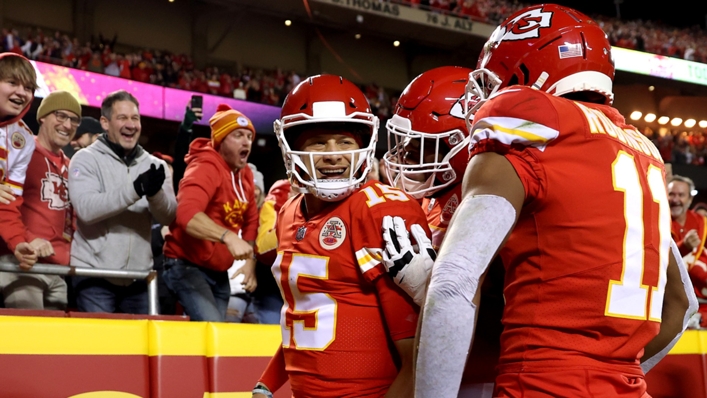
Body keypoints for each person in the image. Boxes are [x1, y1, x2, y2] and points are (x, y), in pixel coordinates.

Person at [412, 5, 697, 397]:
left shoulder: (534, 124)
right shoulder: (642, 149)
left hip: (540, 382)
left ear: (527, 75)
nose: (485, 96)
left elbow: (452, 283)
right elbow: (684, 305)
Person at [252, 74, 429, 398]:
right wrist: (268, 381)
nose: (333, 154)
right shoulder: (289, 211)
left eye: (345, 142)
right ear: (291, 147)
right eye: (319, 141)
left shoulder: (378, 210)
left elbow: (418, 358)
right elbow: (308, 312)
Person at [383, 65, 502, 396]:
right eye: (406, 144)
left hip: (484, 377)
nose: (406, 155)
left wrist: (431, 294)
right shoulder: (436, 199)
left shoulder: (491, 200)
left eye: (422, 146)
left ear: (461, 144)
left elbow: (503, 309)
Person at [68, 89, 176, 314]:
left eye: (135, 118)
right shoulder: (84, 159)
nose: (131, 124)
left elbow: (169, 217)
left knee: (138, 350)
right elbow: (86, 209)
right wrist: (136, 189)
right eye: (123, 118)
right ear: (105, 123)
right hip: (94, 276)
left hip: (139, 278)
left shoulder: (155, 165)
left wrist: (155, 195)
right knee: (100, 347)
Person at [162, 104, 259, 322]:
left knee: (217, 339)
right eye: (237, 135)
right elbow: (187, 214)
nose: (246, 142)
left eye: (249, 136)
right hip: (186, 264)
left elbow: (252, 219)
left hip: (218, 271)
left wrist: (250, 261)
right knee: (213, 330)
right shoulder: (206, 166)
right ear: (221, 140)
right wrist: (228, 236)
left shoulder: (246, 174)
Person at [0, 91, 81, 309]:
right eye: (61, 116)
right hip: (21, 262)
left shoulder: (72, 165)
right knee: (29, 338)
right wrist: (27, 239)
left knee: (55, 341)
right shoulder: (20, 151)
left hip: (58, 269)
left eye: (74, 119)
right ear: (42, 116)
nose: (67, 124)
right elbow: (5, 205)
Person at [0, 52, 41, 270]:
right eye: (12, 83)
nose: (21, 93)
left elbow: (7, 202)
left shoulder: (24, 138)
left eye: (28, 88)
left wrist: (17, 242)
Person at [251, 179, 292, 324]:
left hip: (320, 289)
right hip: (275, 288)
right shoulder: (282, 191)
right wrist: (293, 219)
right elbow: (262, 248)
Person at [669, 175, 707, 327]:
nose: (675, 199)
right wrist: (683, 246)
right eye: (672, 194)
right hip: (669, 298)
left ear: (690, 200)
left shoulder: (702, 222)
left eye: (681, 195)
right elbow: (656, 259)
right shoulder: (658, 220)